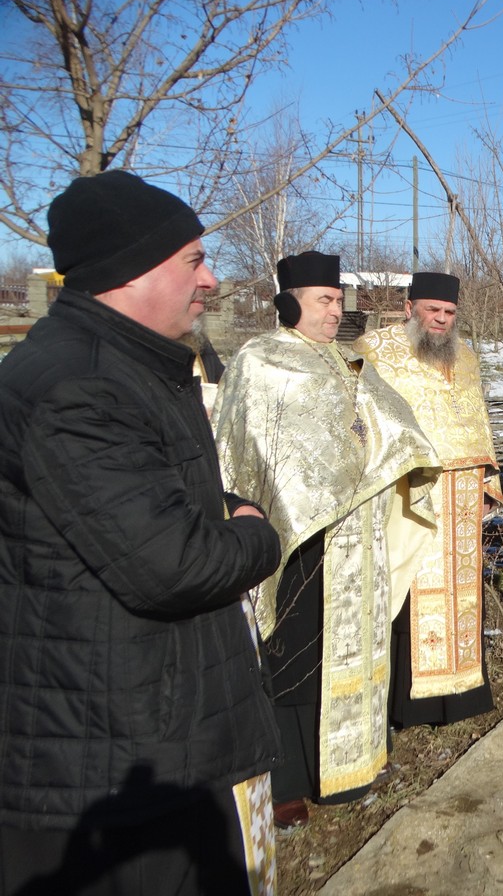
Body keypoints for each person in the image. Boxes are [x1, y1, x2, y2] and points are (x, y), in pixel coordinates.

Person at [0, 171, 282, 895]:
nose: (212, 279)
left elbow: (154, 499)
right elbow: (172, 562)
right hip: (107, 761)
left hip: (153, 739)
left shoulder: (126, 365)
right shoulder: (76, 386)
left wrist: (219, 509)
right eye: (193, 259)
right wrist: (256, 533)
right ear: (130, 270)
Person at [212, 251, 440, 830]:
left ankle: (349, 767)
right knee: (293, 655)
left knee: (356, 647)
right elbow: (245, 454)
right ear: (291, 303)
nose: (337, 311)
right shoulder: (259, 362)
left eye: (340, 301)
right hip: (297, 537)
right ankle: (286, 780)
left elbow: (391, 424)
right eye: (325, 301)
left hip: (357, 535)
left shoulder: (348, 360)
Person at [354, 271, 503, 729]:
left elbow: (477, 422)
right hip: (408, 492)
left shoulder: (467, 358)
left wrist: (486, 488)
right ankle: (406, 702)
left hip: (459, 495)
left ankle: (461, 692)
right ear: (409, 307)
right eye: (432, 310)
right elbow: (362, 423)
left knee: (461, 594)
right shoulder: (374, 352)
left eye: (449, 313)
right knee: (410, 588)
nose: (440, 319)